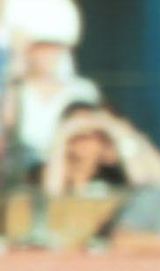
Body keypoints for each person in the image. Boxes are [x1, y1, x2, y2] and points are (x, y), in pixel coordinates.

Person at [0, 0, 96, 183]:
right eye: (39, 47)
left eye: (54, 46)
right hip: (23, 172)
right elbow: (7, 122)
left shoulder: (82, 90)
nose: (47, 54)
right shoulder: (17, 90)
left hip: (70, 169)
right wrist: (16, 64)